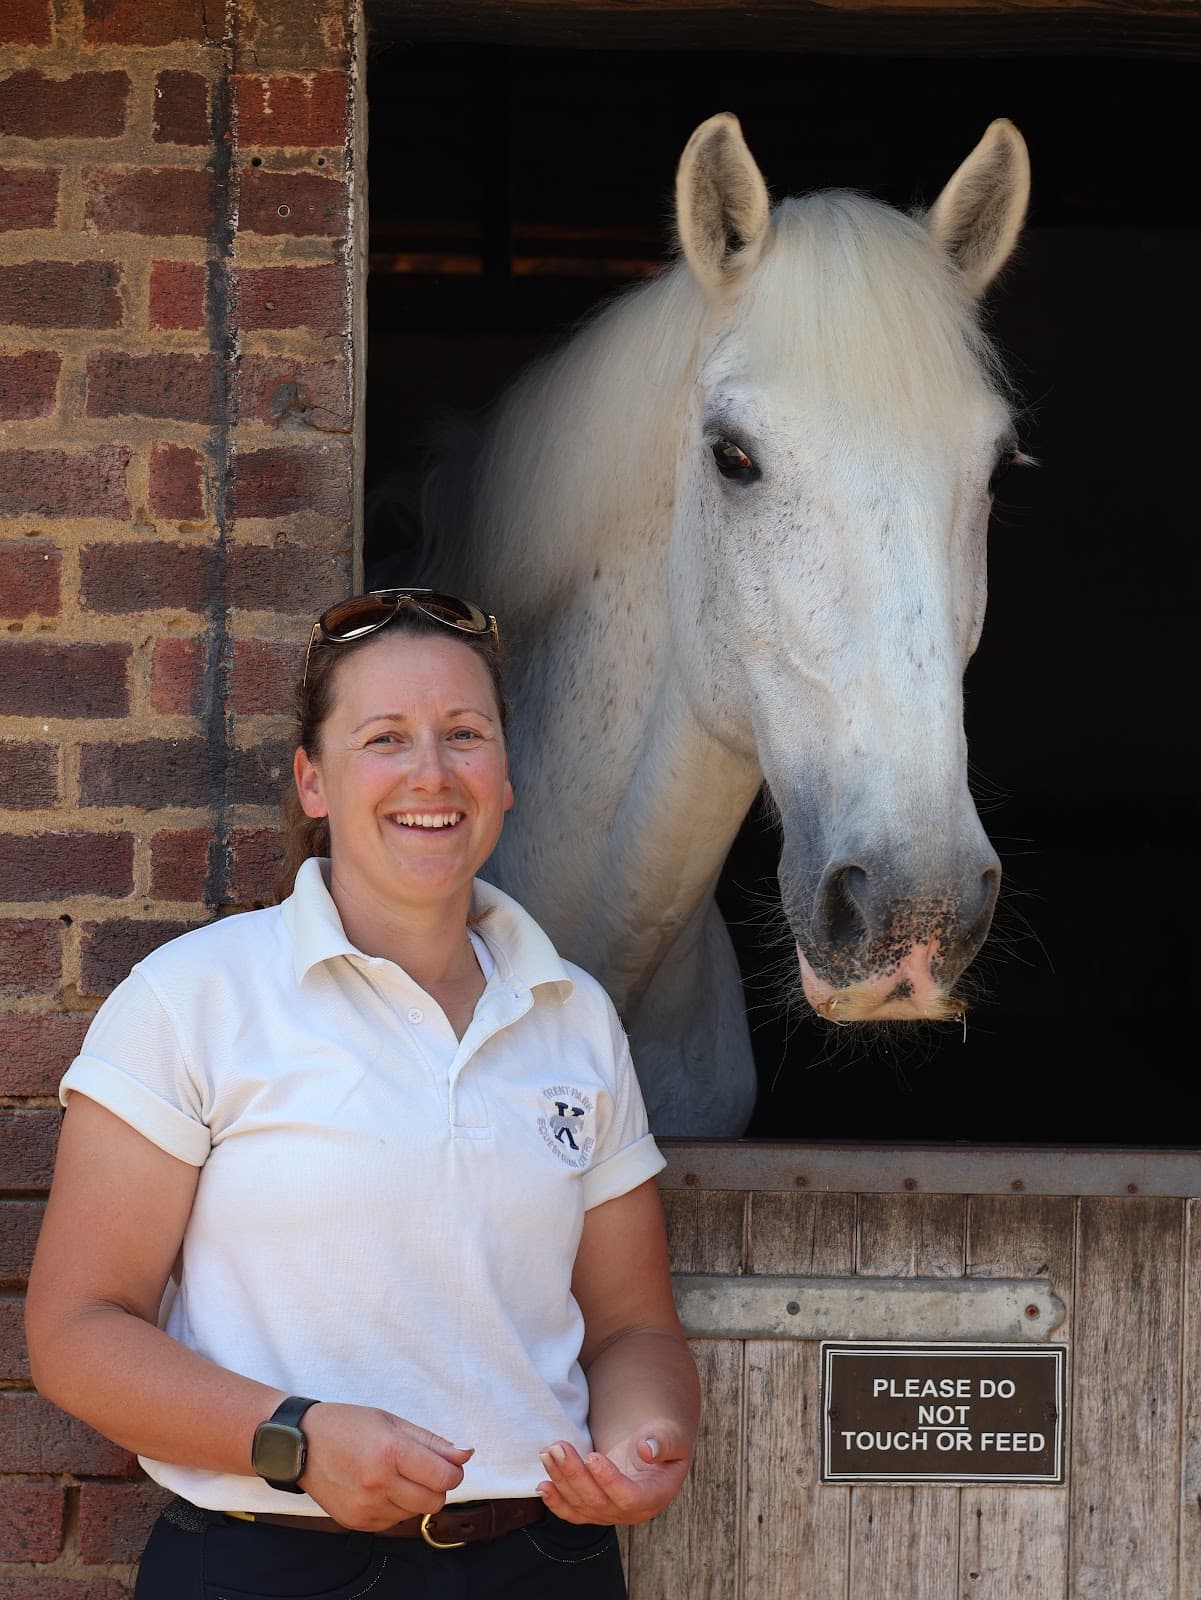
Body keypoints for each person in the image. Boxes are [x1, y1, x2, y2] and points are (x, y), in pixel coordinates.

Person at [25, 588, 700, 1599]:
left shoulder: (572, 1015)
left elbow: (632, 1327)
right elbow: (77, 1331)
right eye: (384, 737)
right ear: (312, 779)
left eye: (463, 734)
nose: (431, 772)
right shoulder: (192, 997)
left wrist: (651, 1437)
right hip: (266, 1562)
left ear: (505, 776)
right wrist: (295, 1436)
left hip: (538, 1564)